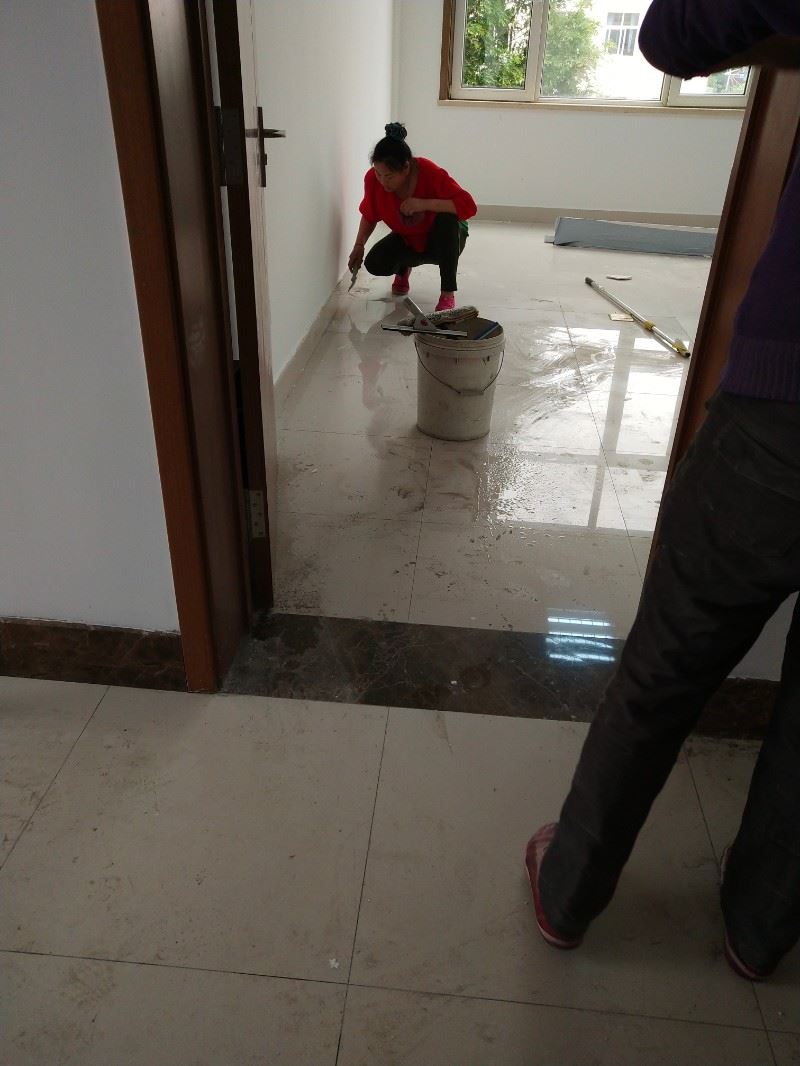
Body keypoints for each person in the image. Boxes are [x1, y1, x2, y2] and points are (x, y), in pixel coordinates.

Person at [526, 0, 800, 982]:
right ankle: (758, 930)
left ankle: (568, 891)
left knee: (665, 662)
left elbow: (670, 34)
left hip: (782, 416)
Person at [347, 123, 477, 313]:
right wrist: (359, 245)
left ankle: (447, 293)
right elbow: (369, 214)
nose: (383, 182)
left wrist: (423, 204)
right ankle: (403, 269)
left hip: (443, 238)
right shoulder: (373, 181)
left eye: (389, 176)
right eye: (378, 173)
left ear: (406, 168)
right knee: (375, 262)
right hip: (408, 238)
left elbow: (468, 205)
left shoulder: (429, 172)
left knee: (447, 220)